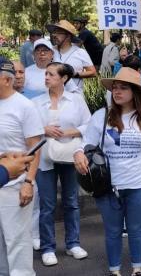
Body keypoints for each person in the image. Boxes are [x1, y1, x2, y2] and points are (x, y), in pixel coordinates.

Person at [74, 67, 141, 276]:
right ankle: (114, 270)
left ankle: (136, 269)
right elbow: (87, 143)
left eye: (123, 88)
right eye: (115, 88)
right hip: (108, 185)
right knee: (113, 231)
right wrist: (78, 152)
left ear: (135, 92)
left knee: (135, 230)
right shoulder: (101, 115)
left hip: (139, 185)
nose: (117, 91)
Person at [32, 62, 91, 266]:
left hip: (69, 155)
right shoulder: (37, 102)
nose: (46, 77)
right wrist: (43, 128)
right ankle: (48, 247)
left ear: (64, 78)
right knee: (46, 204)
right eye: (45, 74)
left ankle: (73, 243)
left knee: (72, 202)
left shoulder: (76, 100)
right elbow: (27, 128)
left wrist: (70, 133)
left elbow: (88, 125)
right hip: (44, 158)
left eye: (51, 74)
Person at [0, 59, 44, 276]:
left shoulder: (24, 106)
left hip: (16, 186)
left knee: (17, 242)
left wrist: (28, 182)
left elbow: (35, 149)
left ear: (6, 79)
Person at [46, 20, 96, 94]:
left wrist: (74, 74)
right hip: (54, 97)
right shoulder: (50, 51)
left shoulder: (80, 52)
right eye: (54, 32)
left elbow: (93, 72)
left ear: (68, 36)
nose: (54, 35)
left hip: (75, 97)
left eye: (58, 32)